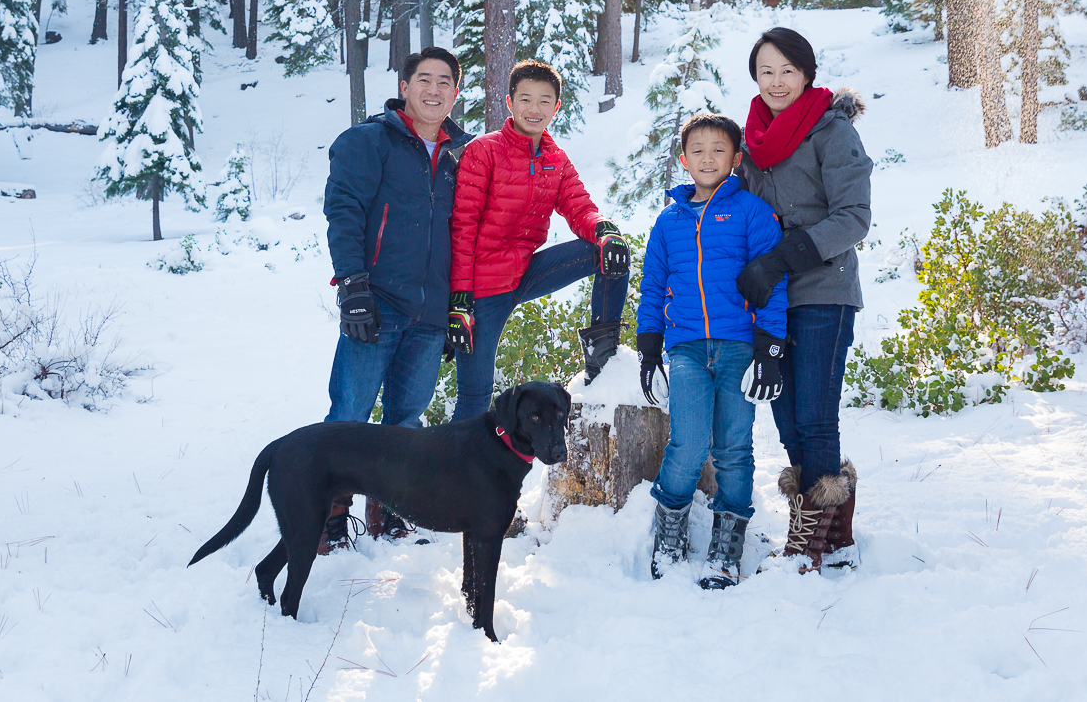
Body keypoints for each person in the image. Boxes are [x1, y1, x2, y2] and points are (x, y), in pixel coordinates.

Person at [320, 46, 473, 551]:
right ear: (404, 87)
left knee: (406, 421)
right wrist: (353, 287)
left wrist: (457, 305)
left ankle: (391, 515)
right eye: (424, 80)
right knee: (349, 414)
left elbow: (466, 232)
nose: (434, 90)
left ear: (455, 91)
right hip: (377, 301)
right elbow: (344, 214)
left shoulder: (462, 153)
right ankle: (328, 517)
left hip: (430, 314)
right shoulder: (368, 142)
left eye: (445, 81)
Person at [733, 26, 872, 573]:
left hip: (824, 290)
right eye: (766, 71)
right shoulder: (751, 141)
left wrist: (782, 257)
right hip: (774, 301)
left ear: (807, 73)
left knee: (814, 416)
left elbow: (854, 218)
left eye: (787, 70)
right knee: (787, 418)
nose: (776, 81)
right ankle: (830, 534)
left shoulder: (831, 131)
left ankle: (809, 543)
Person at [636, 113, 789, 590]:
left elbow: (773, 284)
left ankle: (726, 546)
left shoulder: (752, 213)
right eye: (697, 150)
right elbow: (653, 284)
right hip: (685, 350)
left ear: (736, 159)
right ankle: (670, 534)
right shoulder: (667, 221)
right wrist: (648, 349)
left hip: (739, 349)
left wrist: (771, 348)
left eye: (718, 149)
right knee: (687, 444)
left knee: (734, 448)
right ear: (683, 160)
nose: (707, 158)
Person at [447, 59, 632, 421]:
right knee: (475, 397)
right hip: (482, 290)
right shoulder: (484, 151)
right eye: (526, 99)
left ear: (556, 107)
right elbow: (462, 227)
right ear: (509, 102)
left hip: (526, 273)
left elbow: (580, 207)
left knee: (607, 251)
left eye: (545, 101)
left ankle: (602, 356)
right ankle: (451, 475)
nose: (535, 109)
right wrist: (459, 301)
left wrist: (605, 229)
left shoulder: (555, 159)